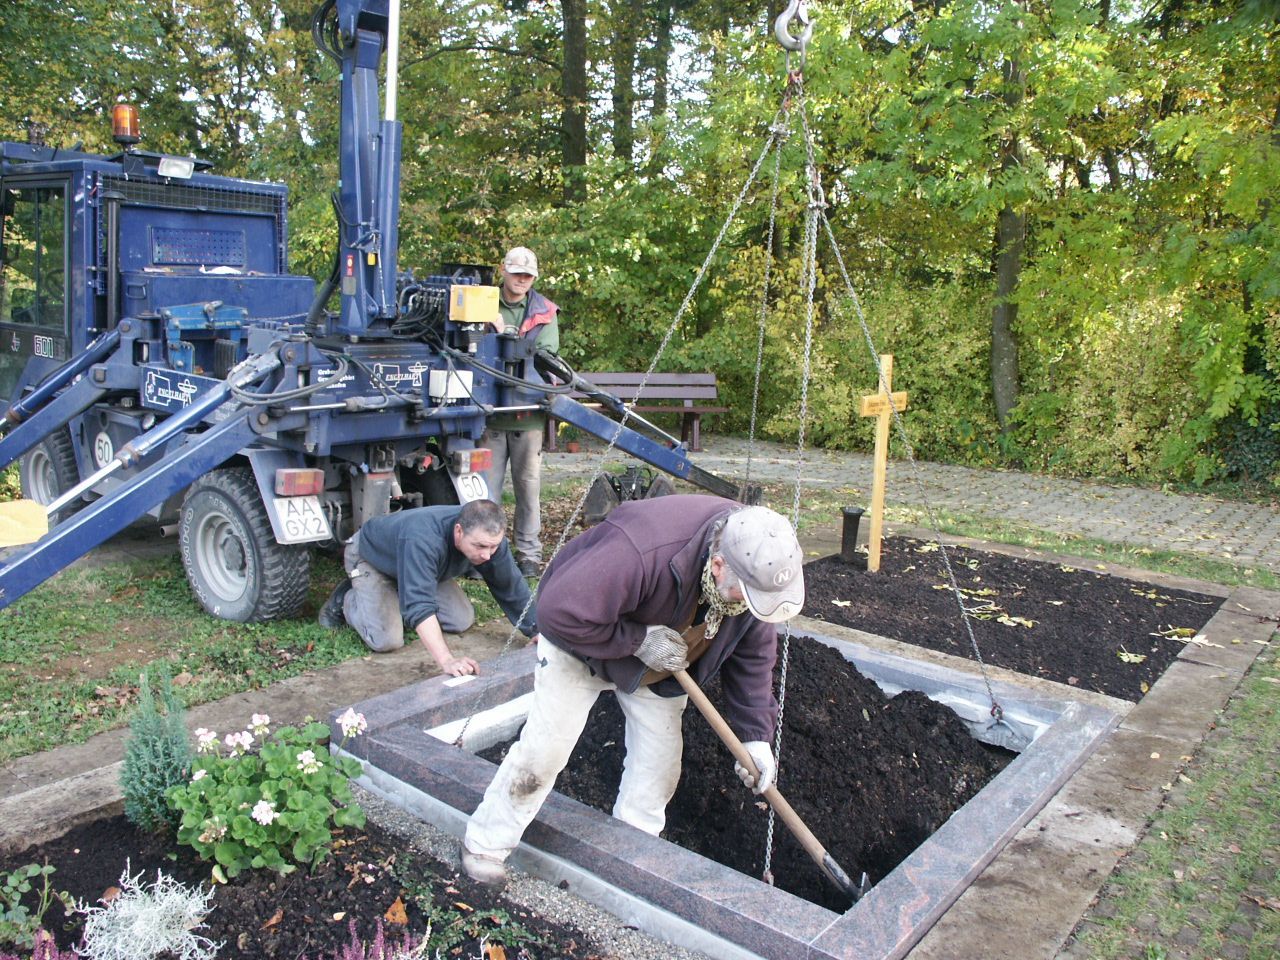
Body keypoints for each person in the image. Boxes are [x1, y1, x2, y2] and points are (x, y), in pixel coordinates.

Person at [460, 495, 804, 885]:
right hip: (585, 640)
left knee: (659, 767)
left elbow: (754, 660)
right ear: (719, 565)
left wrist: (756, 738)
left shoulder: (756, 569)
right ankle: (486, 844)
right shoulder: (642, 548)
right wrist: (637, 640)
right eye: (749, 597)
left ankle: (628, 859)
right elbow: (557, 612)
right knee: (544, 753)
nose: (756, 607)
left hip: (663, 661)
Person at [318, 499, 537, 675]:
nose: (487, 555)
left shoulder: (488, 538)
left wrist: (537, 630)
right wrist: (447, 660)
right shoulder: (423, 539)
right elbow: (419, 605)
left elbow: (511, 586)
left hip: (421, 564)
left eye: (493, 546)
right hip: (373, 558)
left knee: (460, 620)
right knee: (387, 639)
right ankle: (347, 599)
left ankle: (403, 586)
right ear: (459, 531)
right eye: (479, 546)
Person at [480, 246, 559, 578]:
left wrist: (505, 335)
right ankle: (486, 550)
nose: (521, 280)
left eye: (528, 276)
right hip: (490, 414)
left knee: (528, 488)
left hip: (528, 415)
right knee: (486, 489)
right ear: (503, 271)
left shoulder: (545, 311)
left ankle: (528, 553)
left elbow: (546, 356)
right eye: (516, 274)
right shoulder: (481, 302)